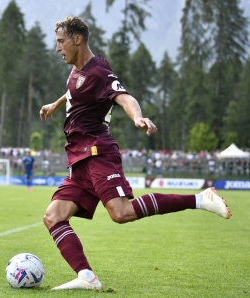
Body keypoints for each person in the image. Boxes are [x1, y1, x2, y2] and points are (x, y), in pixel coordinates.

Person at [38, 16, 230, 290]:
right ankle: (87, 278)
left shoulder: (99, 71)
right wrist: (56, 105)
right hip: (78, 160)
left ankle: (201, 199)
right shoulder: (76, 70)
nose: (57, 47)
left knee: (121, 212)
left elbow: (125, 98)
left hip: (97, 153)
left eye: (60, 41)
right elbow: (73, 92)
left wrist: (138, 118)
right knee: (53, 216)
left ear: (77, 39)